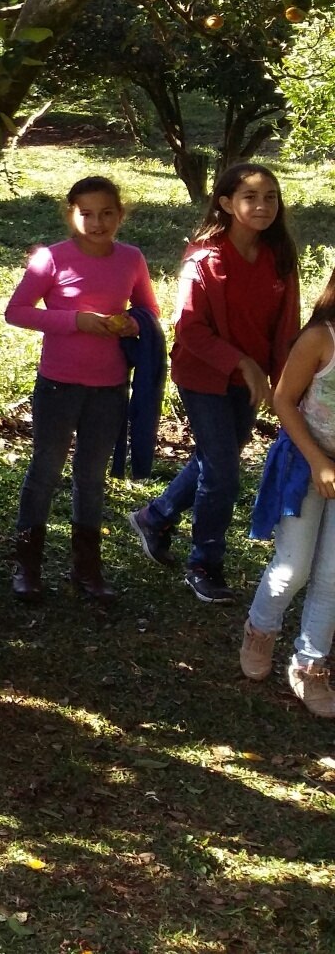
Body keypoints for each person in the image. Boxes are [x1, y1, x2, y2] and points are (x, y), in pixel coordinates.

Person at [129, 164, 300, 605]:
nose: (262, 206)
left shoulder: (280, 254)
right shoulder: (203, 258)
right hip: (204, 375)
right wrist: (241, 362)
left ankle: (157, 515)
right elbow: (189, 330)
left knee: (215, 458)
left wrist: (284, 385)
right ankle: (204, 564)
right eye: (250, 197)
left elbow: (286, 329)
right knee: (222, 469)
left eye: (271, 197)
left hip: (253, 380)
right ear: (226, 203)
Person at [2, 176, 159, 603]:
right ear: (70, 214)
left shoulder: (131, 258)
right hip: (57, 384)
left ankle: (87, 570)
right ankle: (27, 565)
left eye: (107, 212)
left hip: (109, 387)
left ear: (120, 215)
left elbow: (149, 310)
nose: (97, 221)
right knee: (45, 472)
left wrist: (131, 322)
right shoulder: (51, 259)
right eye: (86, 213)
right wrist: (76, 321)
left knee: (90, 478)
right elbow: (15, 312)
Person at [242, 264, 335, 717]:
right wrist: (319, 461)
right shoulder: (321, 338)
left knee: (333, 575)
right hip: (304, 463)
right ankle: (261, 629)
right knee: (292, 568)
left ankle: (310, 664)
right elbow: (283, 399)